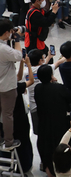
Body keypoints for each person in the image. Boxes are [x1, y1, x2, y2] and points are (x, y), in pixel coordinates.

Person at [35, 64, 71, 177]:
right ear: (51, 76)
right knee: (62, 149)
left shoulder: (37, 88)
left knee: (47, 151)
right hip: (60, 125)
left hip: (44, 126)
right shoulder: (59, 88)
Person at [0, 19, 23, 150]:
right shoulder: (4, 49)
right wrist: (17, 39)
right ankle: (9, 142)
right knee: (7, 115)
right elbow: (18, 56)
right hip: (7, 87)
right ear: (7, 32)